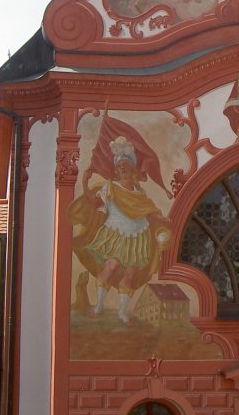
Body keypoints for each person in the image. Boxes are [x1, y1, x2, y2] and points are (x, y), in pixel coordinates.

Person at [70, 136, 170, 325]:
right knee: (111, 266)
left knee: (131, 275)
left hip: (138, 236)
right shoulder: (111, 187)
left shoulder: (140, 193)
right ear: (116, 170)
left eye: (126, 165)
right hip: (115, 233)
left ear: (132, 169)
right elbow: (94, 202)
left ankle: (123, 313)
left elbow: (148, 213)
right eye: (120, 166)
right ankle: (99, 306)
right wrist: (84, 181)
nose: (123, 168)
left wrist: (161, 219)